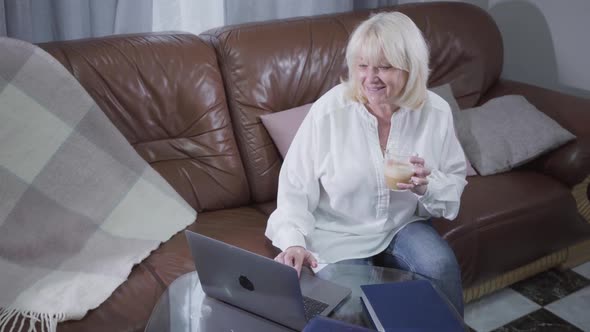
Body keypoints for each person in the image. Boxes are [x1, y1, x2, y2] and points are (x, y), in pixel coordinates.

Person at [265, 11, 468, 315]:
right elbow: (294, 187)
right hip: (339, 232)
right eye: (362, 65)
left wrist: (427, 185)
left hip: (401, 225)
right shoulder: (329, 113)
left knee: (440, 265)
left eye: (384, 67)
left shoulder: (435, 112)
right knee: (348, 307)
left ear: (410, 68)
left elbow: (453, 178)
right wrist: (293, 241)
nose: (370, 78)